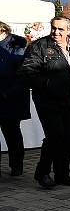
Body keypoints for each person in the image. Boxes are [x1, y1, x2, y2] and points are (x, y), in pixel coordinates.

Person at [18, 16, 70, 189]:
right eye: (54, 28)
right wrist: (48, 84)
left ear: (68, 31)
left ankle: (62, 174)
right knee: (55, 136)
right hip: (47, 101)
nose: (56, 32)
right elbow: (27, 71)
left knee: (68, 137)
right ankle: (42, 172)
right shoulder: (40, 46)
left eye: (60, 29)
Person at [0, 21, 29, 177]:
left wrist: (8, 93)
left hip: (10, 98)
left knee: (12, 133)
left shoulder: (17, 47)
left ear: (3, 31)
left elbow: (23, 75)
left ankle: (16, 165)